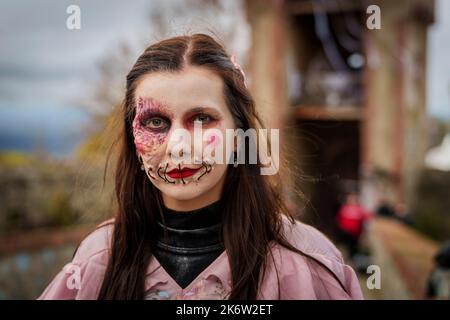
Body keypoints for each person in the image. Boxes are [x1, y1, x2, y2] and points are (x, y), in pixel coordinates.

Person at [38, 34, 363, 300]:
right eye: (155, 121)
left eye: (202, 118)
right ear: (132, 137)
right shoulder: (98, 259)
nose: (178, 144)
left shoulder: (309, 264)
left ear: (239, 135)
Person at [336, 193, 371, 259]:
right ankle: (349, 257)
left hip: (355, 233)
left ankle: (352, 258)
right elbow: (339, 219)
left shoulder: (360, 209)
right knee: (348, 246)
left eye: (354, 199)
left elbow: (366, 218)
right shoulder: (344, 208)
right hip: (346, 232)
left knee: (353, 247)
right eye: (351, 199)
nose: (352, 201)